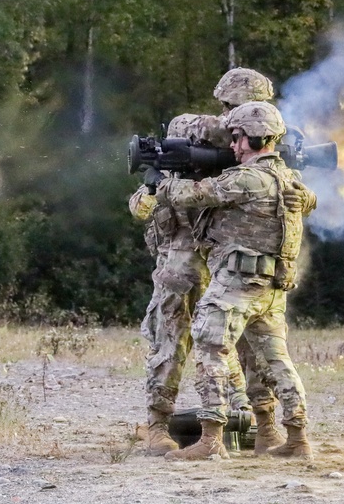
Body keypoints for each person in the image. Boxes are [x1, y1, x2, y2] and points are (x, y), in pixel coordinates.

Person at [144, 101, 317, 461]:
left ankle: (210, 439)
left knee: (209, 350)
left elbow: (195, 195)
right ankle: (298, 438)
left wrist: (160, 182)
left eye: (238, 138)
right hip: (272, 287)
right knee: (278, 361)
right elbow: (307, 201)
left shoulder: (245, 178)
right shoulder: (290, 179)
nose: (233, 146)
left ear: (257, 138)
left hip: (237, 284)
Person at [130, 115, 251, 456]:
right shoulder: (165, 179)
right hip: (175, 283)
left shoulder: (225, 179)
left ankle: (241, 420)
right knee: (169, 351)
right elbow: (139, 208)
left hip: (219, 278)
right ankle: (157, 426)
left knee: (225, 351)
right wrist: (158, 184)